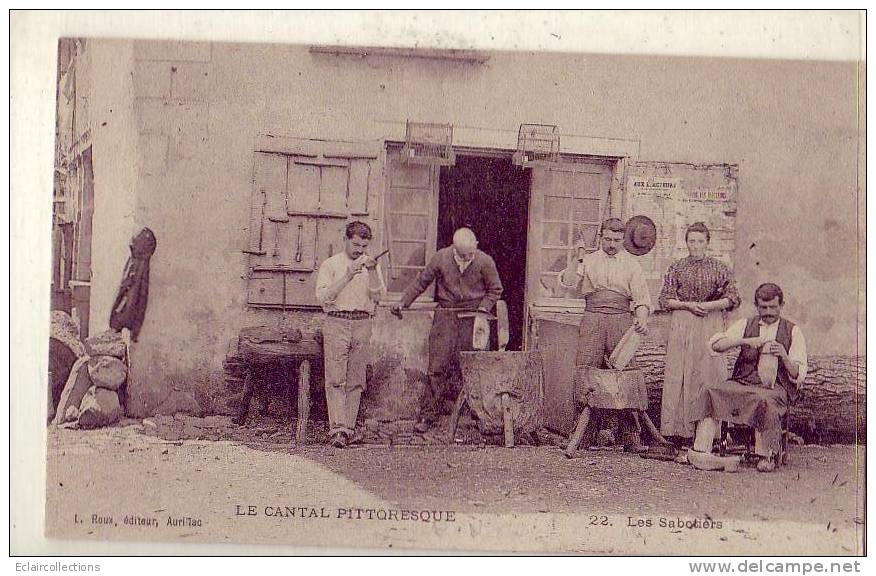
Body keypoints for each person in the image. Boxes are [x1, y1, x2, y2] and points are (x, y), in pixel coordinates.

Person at [391, 228, 503, 433]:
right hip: (446, 316)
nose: (467, 258)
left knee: (471, 367)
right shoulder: (441, 258)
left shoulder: (485, 261)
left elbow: (495, 290)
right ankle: (429, 416)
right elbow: (421, 282)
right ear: (454, 249)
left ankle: (475, 416)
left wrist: (483, 308)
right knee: (437, 366)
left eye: (470, 254)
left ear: (476, 246)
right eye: (462, 255)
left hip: (472, 317)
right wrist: (403, 302)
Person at [687, 283, 807, 472]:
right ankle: (701, 450)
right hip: (743, 381)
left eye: (773, 307)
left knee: (763, 399)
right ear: (756, 305)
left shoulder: (793, 331)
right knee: (711, 390)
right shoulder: (746, 324)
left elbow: (796, 374)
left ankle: (766, 455)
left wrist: (783, 354)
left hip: (774, 386)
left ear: (781, 305)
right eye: (763, 307)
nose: (768, 312)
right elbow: (716, 345)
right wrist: (744, 341)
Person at [558, 217, 651, 452]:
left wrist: (641, 317)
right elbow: (568, 283)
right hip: (593, 319)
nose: (612, 244)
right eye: (608, 239)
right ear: (601, 237)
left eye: (617, 240)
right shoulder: (587, 261)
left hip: (621, 320)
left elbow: (641, 299)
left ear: (623, 240)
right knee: (586, 370)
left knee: (626, 373)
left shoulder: (632, 265)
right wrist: (578, 257)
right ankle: (582, 436)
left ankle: (631, 437)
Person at [657, 222, 741, 446]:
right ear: (686, 243)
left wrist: (710, 306)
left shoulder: (719, 267)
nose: (695, 246)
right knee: (681, 373)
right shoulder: (677, 267)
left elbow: (733, 298)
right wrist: (688, 305)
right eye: (691, 241)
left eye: (700, 241)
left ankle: (711, 433)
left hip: (710, 321)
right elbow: (665, 299)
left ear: (707, 243)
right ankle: (679, 430)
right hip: (683, 322)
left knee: (709, 372)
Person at [315, 221, 386, 448]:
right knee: (335, 378)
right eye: (356, 245)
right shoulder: (331, 264)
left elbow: (378, 297)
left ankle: (349, 429)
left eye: (364, 246)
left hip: (362, 323)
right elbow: (323, 298)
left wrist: (373, 271)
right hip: (337, 321)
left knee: (356, 379)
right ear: (344, 239)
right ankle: (337, 430)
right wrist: (347, 276)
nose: (360, 251)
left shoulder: (371, 265)